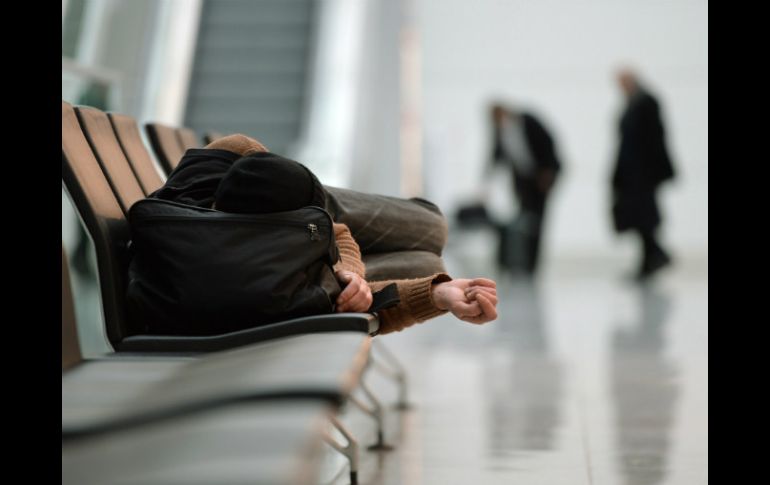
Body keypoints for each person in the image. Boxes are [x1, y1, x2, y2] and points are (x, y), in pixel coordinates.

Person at [151, 134, 498, 334]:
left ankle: (303, 205)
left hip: (277, 206)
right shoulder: (271, 284)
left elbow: (240, 146)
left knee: (431, 227)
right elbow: (351, 303)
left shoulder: (194, 184)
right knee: (426, 260)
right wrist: (438, 293)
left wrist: (348, 270)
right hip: (276, 234)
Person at [612, 69, 676, 280]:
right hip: (632, 174)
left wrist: (654, 171)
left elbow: (655, 138)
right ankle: (649, 262)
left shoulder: (646, 102)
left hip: (643, 174)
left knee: (644, 219)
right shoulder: (632, 103)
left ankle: (655, 258)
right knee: (639, 220)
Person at [490, 103, 561, 276]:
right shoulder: (500, 130)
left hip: (543, 177)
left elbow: (548, 143)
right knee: (523, 220)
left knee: (537, 220)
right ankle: (520, 262)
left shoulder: (528, 120)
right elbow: (496, 156)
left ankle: (532, 266)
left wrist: (547, 173)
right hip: (524, 181)